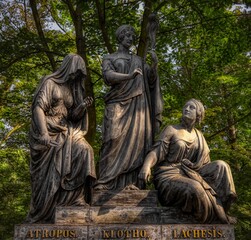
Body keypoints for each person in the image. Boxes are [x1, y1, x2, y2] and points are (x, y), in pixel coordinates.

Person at [139, 99, 237, 223]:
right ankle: (213, 218)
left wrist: (192, 165)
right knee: (195, 188)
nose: (187, 109)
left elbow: (204, 164)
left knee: (222, 166)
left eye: (192, 108)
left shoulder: (199, 136)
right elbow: (156, 152)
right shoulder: (172, 129)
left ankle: (223, 209)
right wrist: (146, 166)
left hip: (191, 173)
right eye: (185, 106)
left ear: (198, 114)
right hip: (169, 175)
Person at [26, 54, 96, 223]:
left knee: (85, 150)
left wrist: (81, 107)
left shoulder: (71, 89)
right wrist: (43, 133)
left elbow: (72, 116)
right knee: (52, 168)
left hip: (66, 130)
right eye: (75, 71)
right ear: (67, 68)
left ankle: (75, 198)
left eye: (79, 73)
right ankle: (46, 207)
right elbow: (38, 108)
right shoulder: (50, 83)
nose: (75, 76)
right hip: (49, 130)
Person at [94, 25, 163, 190]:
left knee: (137, 143)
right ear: (119, 37)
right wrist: (129, 76)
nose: (130, 38)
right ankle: (105, 182)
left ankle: (133, 184)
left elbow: (150, 81)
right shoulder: (109, 57)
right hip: (116, 103)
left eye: (133, 36)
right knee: (111, 139)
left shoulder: (138, 60)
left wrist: (154, 65)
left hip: (138, 106)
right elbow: (108, 76)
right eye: (127, 35)